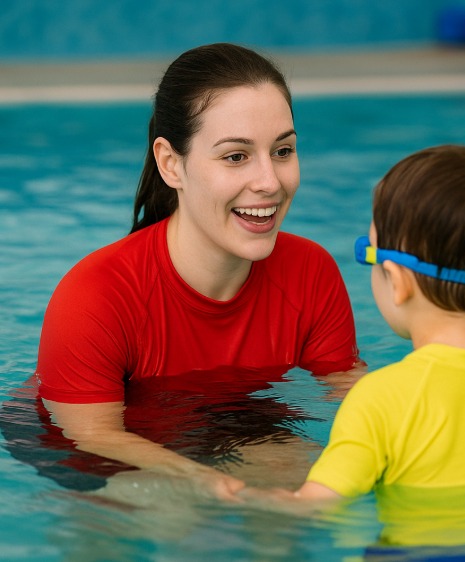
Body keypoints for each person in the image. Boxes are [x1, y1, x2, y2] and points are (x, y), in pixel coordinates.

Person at [31, 43, 360, 500]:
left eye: (283, 151)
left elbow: (354, 394)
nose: (270, 181)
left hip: (227, 419)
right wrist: (206, 482)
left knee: (296, 477)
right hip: (85, 445)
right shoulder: (96, 294)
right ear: (172, 164)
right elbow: (90, 434)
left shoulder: (310, 271)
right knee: (171, 508)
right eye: (236, 156)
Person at [240, 144, 465, 552]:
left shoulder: (380, 398)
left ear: (397, 281)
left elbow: (316, 505)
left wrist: (226, 492)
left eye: (368, 255)